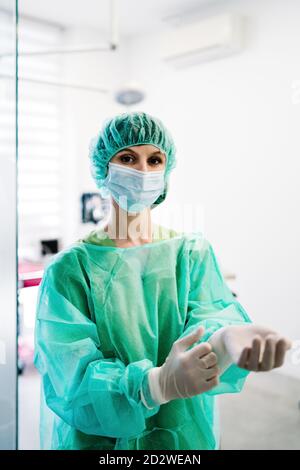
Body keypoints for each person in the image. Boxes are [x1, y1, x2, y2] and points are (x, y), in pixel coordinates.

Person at [34, 111, 291, 450]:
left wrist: (227, 337)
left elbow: (209, 315)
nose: (143, 171)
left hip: (181, 439)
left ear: (166, 173)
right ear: (104, 168)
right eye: (128, 158)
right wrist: (153, 385)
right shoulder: (71, 269)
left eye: (155, 160)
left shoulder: (189, 253)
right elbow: (70, 375)